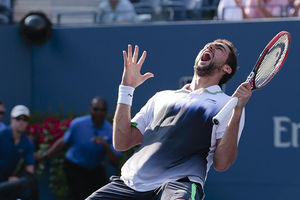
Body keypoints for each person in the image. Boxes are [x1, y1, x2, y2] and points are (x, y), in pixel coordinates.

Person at [86, 40, 252, 200]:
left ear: (227, 68)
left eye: (219, 48)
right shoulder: (162, 97)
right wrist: (126, 89)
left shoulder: (227, 105)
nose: (210, 46)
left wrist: (237, 112)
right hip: (130, 183)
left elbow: (222, 163)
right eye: (209, 45)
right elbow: (122, 142)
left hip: (179, 183)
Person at [36, 97, 121, 200]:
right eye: (96, 109)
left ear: (106, 111)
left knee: (101, 195)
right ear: (90, 109)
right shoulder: (78, 124)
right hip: (74, 166)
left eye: (102, 110)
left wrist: (105, 145)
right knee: (81, 195)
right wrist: (45, 156)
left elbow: (115, 162)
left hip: (94, 168)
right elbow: (63, 142)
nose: (99, 112)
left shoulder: (110, 130)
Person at [0, 105, 38, 200]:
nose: (21, 122)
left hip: (8, 181)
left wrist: (18, 178)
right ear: (11, 119)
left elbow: (30, 170)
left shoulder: (27, 142)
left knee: (31, 184)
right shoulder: (1, 136)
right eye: (18, 119)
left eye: (25, 119)